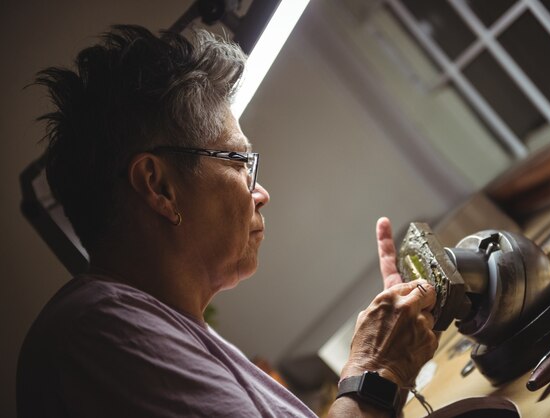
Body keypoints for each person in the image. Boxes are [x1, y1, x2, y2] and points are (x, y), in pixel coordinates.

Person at [16, 25, 437, 417]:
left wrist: (394, 359)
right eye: (239, 163)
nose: (261, 192)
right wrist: (374, 369)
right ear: (159, 186)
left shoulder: (164, 326)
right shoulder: (99, 334)